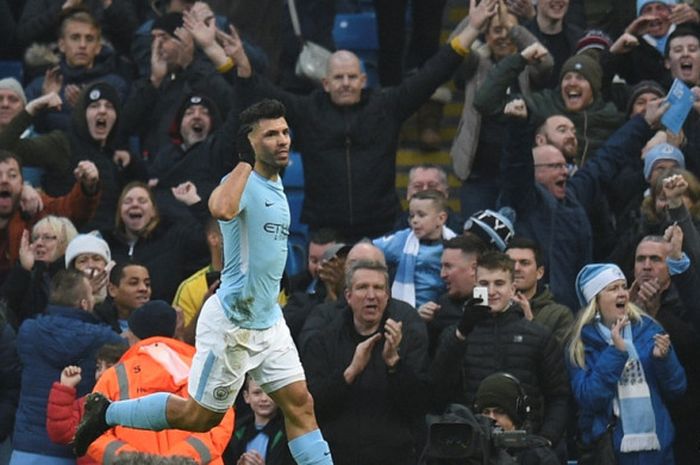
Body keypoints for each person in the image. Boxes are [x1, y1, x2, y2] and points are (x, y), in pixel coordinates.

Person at [73, 99, 335, 465]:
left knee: (301, 405)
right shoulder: (240, 180)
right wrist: (245, 160)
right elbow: (221, 209)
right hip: (234, 324)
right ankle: (105, 413)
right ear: (251, 143)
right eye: (271, 134)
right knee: (199, 417)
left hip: (268, 321)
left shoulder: (276, 183)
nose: (282, 140)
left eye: (285, 132)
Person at [221, 0, 501, 241]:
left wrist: (473, 28)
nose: (345, 83)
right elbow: (261, 93)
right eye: (339, 78)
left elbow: (432, 74)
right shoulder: (307, 110)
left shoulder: (386, 106)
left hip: (381, 229)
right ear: (326, 83)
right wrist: (242, 65)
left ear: (364, 80)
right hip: (325, 231)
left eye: (352, 77)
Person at [431, 251, 569, 459]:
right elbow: (438, 388)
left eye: (499, 283)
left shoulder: (537, 335)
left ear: (512, 288)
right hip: (471, 451)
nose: (492, 291)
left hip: (526, 452)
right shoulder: (457, 334)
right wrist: (461, 332)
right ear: (475, 287)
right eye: (484, 284)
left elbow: (559, 396)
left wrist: (546, 440)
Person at [302, 259, 430, 465]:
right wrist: (350, 373)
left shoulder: (408, 336)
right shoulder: (325, 339)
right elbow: (313, 406)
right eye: (362, 287)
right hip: (339, 457)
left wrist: (394, 364)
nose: (371, 295)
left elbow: (419, 406)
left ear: (387, 297)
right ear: (348, 296)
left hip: (395, 457)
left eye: (378, 288)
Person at [84, 301, 234, 463]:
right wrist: (176, 460)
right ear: (174, 331)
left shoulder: (114, 377)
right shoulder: (205, 372)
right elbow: (220, 424)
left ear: (133, 336)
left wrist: (135, 460)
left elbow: (91, 432)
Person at [566, 263, 687, 465]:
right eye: (613, 289)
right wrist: (616, 352)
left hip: (657, 451)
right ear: (595, 300)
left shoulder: (648, 329)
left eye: (623, 286)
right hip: (610, 453)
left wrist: (664, 360)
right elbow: (589, 398)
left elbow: (677, 389)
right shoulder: (580, 344)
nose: (622, 293)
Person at [10, 269, 124, 465]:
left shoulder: (28, 331)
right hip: (78, 446)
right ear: (84, 304)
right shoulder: (104, 338)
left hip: (27, 446)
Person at [0, 150, 100, 285]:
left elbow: (71, 210)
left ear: (21, 183)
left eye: (12, 175)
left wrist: (87, 187)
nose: (4, 180)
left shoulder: (35, 206)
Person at [23, 9, 130, 134]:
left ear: (98, 47)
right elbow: (27, 133)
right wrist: (44, 104)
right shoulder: (40, 85)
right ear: (62, 44)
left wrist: (84, 110)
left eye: (89, 39)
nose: (82, 45)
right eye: (75, 38)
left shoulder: (114, 86)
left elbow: (118, 136)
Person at [100, 181, 209, 301]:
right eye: (127, 201)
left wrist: (195, 202)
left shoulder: (174, 239)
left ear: (153, 211)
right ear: (120, 212)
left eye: (142, 201)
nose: (135, 205)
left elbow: (211, 240)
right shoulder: (107, 244)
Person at [46, 343, 128, 465]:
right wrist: (66, 387)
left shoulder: (135, 403)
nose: (100, 373)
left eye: (109, 367)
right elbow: (61, 433)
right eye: (99, 367)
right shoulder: (89, 403)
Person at [374, 189, 456, 308]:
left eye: (421, 215)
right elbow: (367, 248)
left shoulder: (456, 244)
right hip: (409, 315)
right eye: (411, 216)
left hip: (445, 312)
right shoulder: (403, 240)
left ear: (441, 218)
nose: (415, 221)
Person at [0, 215, 78, 327]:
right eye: (36, 238)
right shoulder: (27, 273)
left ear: (65, 242)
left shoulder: (74, 278)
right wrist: (23, 268)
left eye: (47, 238)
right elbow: (5, 309)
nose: (39, 243)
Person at [474, 373, 559, 465]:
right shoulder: (469, 454)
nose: (491, 418)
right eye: (486, 412)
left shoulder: (539, 457)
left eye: (500, 412)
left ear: (517, 415)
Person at [505, 237, 573, 344]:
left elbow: (556, 357)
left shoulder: (559, 315)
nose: (516, 268)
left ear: (540, 272)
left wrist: (530, 323)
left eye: (524, 263)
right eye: (510, 263)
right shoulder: (491, 308)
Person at [224, 376, 294, 465]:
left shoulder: (290, 432)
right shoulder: (234, 431)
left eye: (269, 392)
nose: (264, 399)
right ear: (246, 396)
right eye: (257, 393)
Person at [393, 164, 463, 234]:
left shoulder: (461, 232)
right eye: (418, 186)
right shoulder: (393, 234)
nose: (425, 190)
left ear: (446, 192)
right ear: (408, 193)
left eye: (432, 186)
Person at [94, 262, 152, 334]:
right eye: (133, 283)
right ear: (112, 290)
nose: (144, 288)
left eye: (147, 284)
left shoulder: (158, 323)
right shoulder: (94, 323)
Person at [65, 233, 115, 306]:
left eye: (97, 259)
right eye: (83, 261)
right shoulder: (64, 297)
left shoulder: (118, 292)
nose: (91, 265)